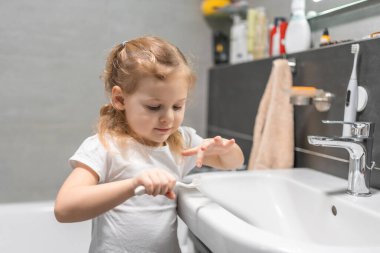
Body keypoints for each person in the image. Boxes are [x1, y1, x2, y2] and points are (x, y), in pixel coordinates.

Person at [54, 36, 244, 253]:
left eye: (177, 106)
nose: (168, 119)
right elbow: (64, 208)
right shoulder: (105, 146)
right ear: (120, 100)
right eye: (154, 107)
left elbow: (232, 163)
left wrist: (226, 150)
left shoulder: (180, 142)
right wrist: (133, 185)